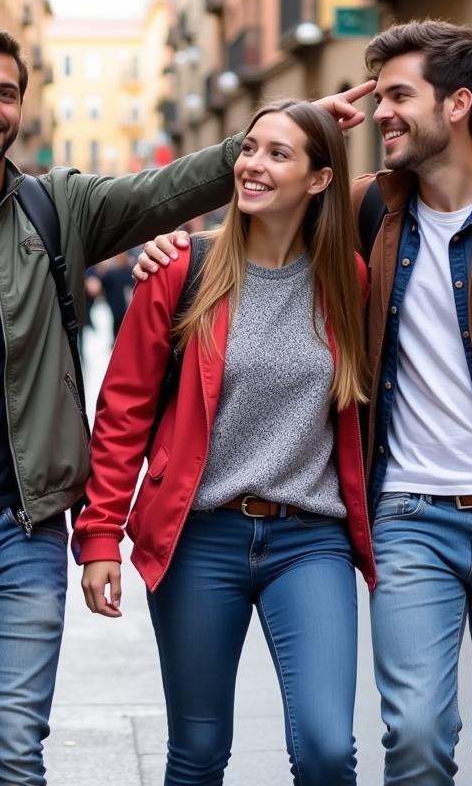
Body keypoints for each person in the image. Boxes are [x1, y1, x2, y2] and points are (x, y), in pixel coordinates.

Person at [0, 22, 374, 786]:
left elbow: (167, 190)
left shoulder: (58, 211)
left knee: (13, 759)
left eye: (5, 92)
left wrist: (284, 132)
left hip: (20, 534)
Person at [135, 20, 472, 786]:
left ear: (459, 104)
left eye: (399, 96)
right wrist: (173, 246)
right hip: (406, 517)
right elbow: (280, 193)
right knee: (419, 738)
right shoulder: (366, 214)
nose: (383, 114)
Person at [76, 101, 375, 786]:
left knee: (328, 748)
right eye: (249, 149)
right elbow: (122, 411)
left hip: (311, 539)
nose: (252, 165)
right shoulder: (182, 270)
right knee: (199, 753)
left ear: (320, 180)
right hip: (198, 539)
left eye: (278, 154)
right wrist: (100, 539)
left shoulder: (348, 281)